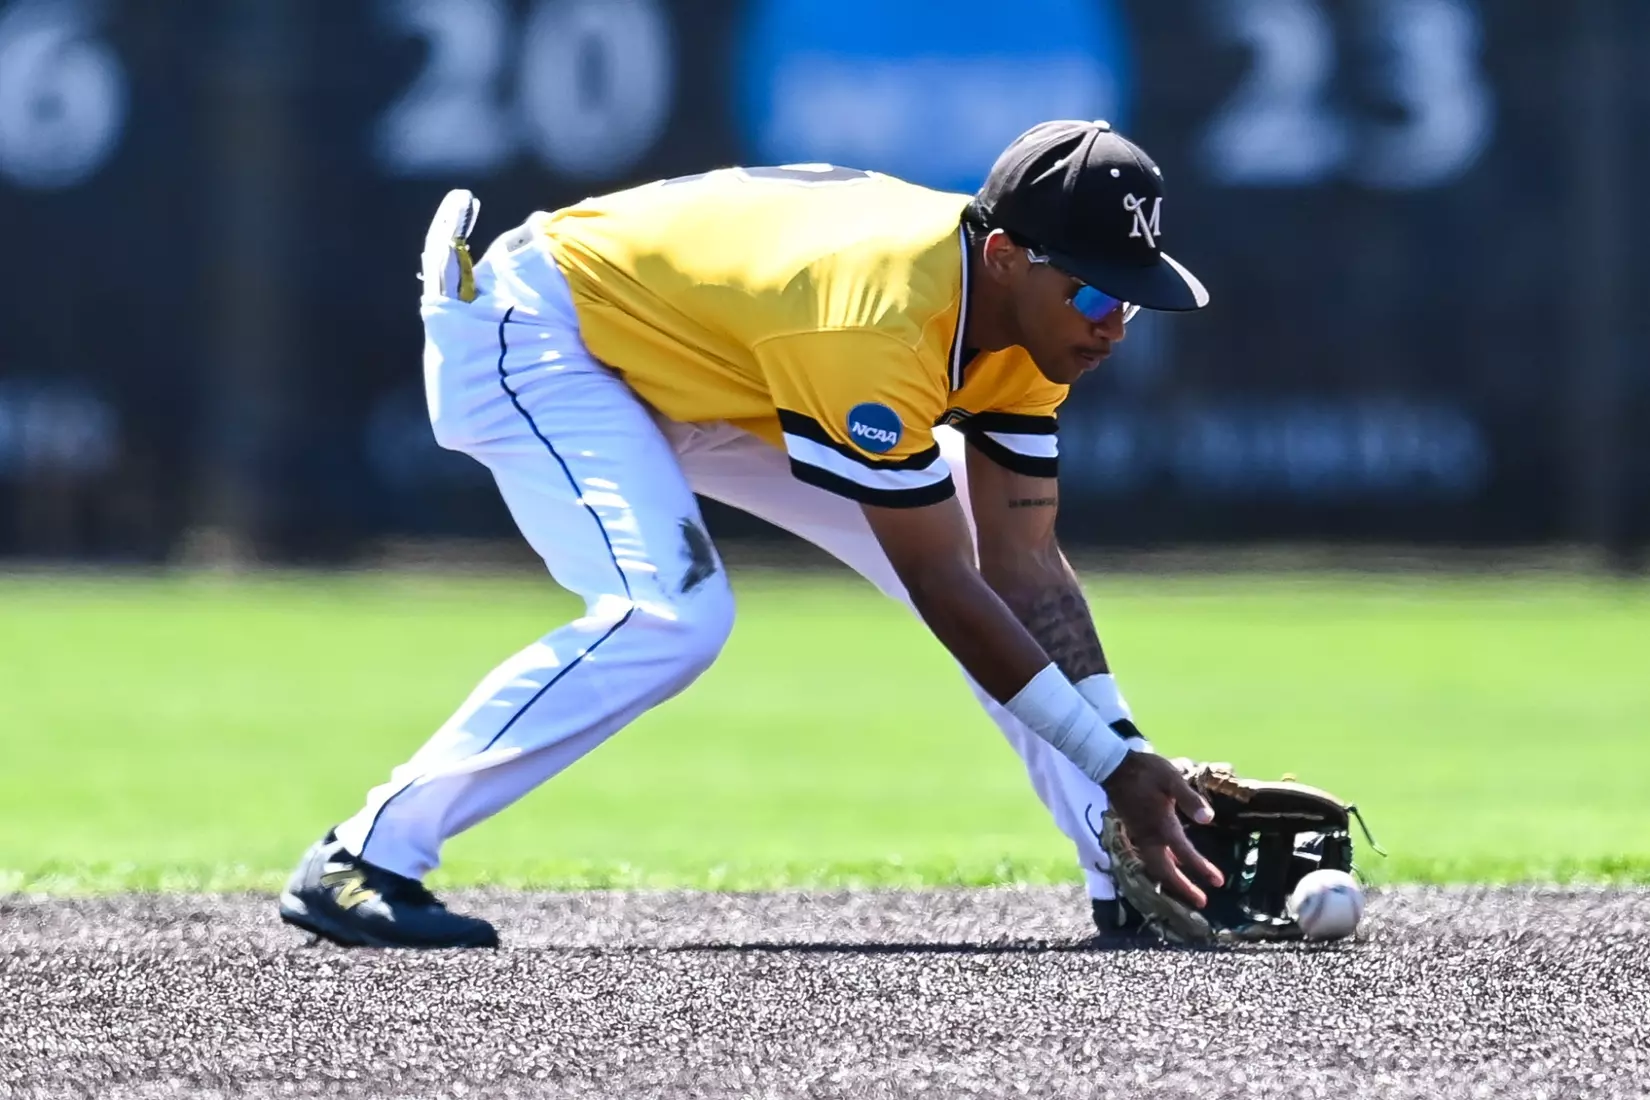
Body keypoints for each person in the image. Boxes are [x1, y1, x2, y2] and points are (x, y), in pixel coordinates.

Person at [278, 119, 1224, 949]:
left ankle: (1130, 876)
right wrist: (1114, 764)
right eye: (1097, 294)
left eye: (1130, 299)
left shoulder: (1027, 323)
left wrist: (1126, 749)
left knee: (982, 562)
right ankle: (365, 856)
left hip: (712, 360)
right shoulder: (876, 326)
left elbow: (1022, 570)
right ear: (1012, 254)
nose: (1114, 325)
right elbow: (946, 588)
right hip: (545, 332)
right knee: (671, 615)